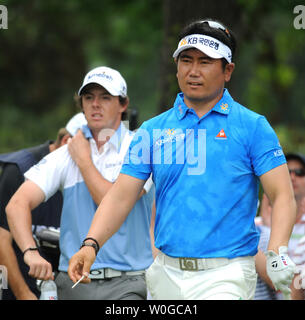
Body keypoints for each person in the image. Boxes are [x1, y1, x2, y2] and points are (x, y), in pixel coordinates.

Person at [67, 19, 297, 300]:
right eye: (186, 60)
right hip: (165, 273)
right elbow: (120, 196)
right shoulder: (152, 130)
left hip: (227, 274)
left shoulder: (253, 126)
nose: (193, 71)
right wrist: (90, 245)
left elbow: (282, 194)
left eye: (205, 62)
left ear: (228, 71)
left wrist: (277, 251)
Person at [6, 66, 155, 300]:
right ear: (82, 104)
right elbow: (16, 204)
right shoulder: (68, 152)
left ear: (123, 104)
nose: (95, 104)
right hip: (73, 282)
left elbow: (112, 202)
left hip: (129, 281)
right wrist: (30, 252)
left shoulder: (138, 146)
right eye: (88, 97)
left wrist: (84, 162)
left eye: (105, 97)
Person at [0, 128, 71, 300]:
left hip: (64, 288)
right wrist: (23, 294)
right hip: (22, 290)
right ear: (67, 141)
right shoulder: (18, 171)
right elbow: (2, 242)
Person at [255, 152, 305, 299]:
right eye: (287, 171)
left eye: (300, 172)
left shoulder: (249, 231)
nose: (292, 177)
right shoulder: (256, 225)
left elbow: (294, 286)